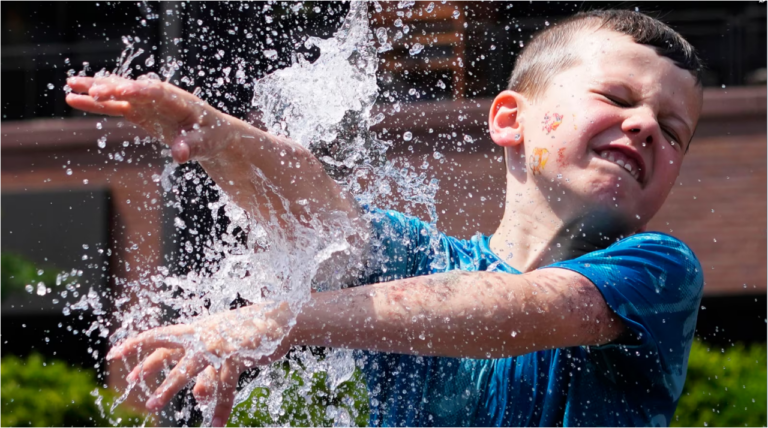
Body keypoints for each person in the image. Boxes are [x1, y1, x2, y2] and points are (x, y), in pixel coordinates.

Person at [66, 9, 704, 428]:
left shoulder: (658, 273)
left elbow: (520, 310)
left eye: (674, 133)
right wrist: (221, 139)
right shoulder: (423, 262)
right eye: (616, 98)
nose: (646, 125)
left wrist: (279, 321)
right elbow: (317, 216)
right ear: (510, 120)